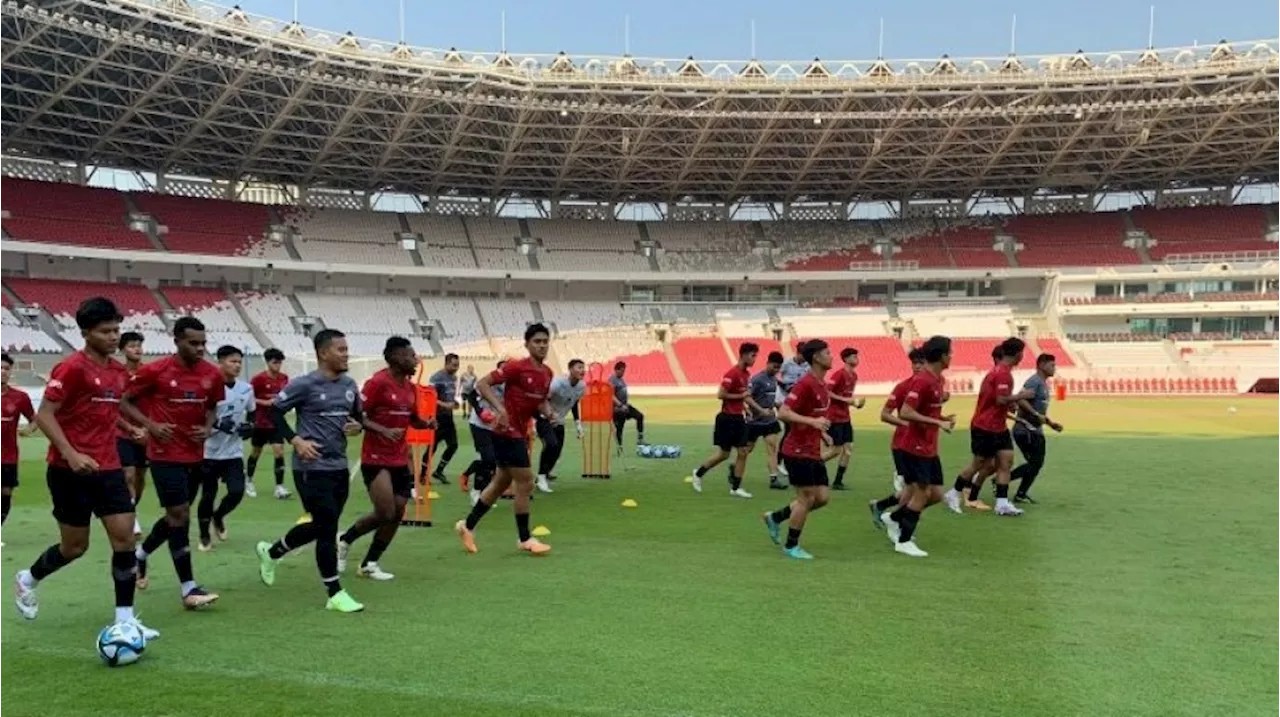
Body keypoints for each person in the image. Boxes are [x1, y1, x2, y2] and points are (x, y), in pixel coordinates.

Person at [12, 297, 157, 640]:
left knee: (124, 540)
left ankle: (124, 620)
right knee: (75, 547)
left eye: (116, 330)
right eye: (106, 331)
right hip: (68, 471)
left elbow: (108, 409)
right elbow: (45, 414)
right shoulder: (72, 368)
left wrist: (129, 429)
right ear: (86, 332)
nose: (113, 337)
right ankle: (27, 578)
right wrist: (72, 454)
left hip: (108, 467)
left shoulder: (119, 372)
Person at [255, 329, 365, 613]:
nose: (346, 354)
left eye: (346, 348)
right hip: (310, 467)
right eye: (340, 349)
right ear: (323, 353)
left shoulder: (350, 385)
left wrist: (356, 426)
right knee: (328, 528)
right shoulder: (304, 384)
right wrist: (296, 440)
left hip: (338, 465)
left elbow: (357, 418)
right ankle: (334, 592)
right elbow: (274, 412)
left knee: (322, 525)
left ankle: (272, 551)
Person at [121, 316, 222, 608]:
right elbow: (125, 401)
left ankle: (141, 555)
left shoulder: (211, 374)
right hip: (164, 454)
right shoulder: (156, 371)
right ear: (176, 341)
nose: (200, 348)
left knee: (176, 516)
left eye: (203, 343)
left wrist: (208, 427)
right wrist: (150, 425)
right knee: (180, 515)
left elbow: (212, 406)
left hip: (195, 453)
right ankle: (189, 589)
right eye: (193, 343)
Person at [455, 324, 554, 556]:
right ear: (527, 344)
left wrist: (548, 412)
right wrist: (500, 408)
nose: (541, 345)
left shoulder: (547, 373)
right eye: (537, 341)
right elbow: (482, 384)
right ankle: (524, 538)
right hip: (507, 431)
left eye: (544, 341)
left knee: (500, 483)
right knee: (526, 482)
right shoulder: (517, 367)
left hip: (520, 430)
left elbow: (539, 401)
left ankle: (467, 526)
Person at [338, 336, 432, 581]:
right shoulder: (378, 383)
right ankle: (345, 539)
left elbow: (413, 419)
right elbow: (358, 415)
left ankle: (369, 563)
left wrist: (426, 423)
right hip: (376, 457)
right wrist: (383, 430)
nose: (415, 361)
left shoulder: (411, 388)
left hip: (399, 459)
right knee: (385, 511)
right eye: (411, 356)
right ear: (397, 358)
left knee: (398, 511)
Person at [882, 336, 957, 558]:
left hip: (928, 447)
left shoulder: (936, 381)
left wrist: (942, 417)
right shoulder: (923, 380)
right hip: (914, 447)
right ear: (942, 355)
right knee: (922, 493)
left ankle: (893, 518)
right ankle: (903, 541)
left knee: (935, 495)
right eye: (950, 353)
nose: (951, 356)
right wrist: (938, 423)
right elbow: (905, 412)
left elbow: (925, 412)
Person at [943, 337, 1032, 518]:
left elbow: (997, 399)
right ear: (1017, 354)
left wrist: (1010, 403)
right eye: (1022, 353)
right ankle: (953, 493)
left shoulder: (1001, 372)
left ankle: (1002, 503)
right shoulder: (1002, 374)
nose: (1023, 356)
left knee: (1006, 461)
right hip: (985, 426)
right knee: (979, 463)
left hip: (998, 426)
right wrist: (1020, 396)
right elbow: (1000, 400)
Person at [761, 339, 832, 560]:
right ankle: (791, 545)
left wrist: (822, 432)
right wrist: (813, 423)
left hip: (812, 449)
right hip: (797, 450)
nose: (832, 356)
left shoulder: (821, 384)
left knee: (822, 498)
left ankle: (776, 517)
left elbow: (812, 415)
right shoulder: (806, 383)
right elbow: (783, 413)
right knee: (806, 498)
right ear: (817, 357)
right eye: (827, 353)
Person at [193, 345, 255, 551]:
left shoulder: (246, 389)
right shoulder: (208, 386)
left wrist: (250, 427)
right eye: (232, 361)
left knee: (237, 491)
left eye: (239, 362)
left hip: (233, 452)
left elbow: (252, 413)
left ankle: (218, 516)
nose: (237, 365)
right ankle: (203, 534)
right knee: (208, 495)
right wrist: (218, 424)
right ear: (220, 362)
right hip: (208, 451)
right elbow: (198, 415)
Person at [689, 342, 762, 499]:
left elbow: (742, 396)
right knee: (723, 454)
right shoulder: (732, 373)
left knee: (743, 452)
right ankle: (699, 473)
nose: (754, 359)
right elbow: (721, 394)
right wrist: (740, 397)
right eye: (752, 355)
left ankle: (736, 488)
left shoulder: (746, 375)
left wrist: (746, 408)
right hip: (727, 418)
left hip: (738, 418)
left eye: (756, 355)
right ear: (743, 355)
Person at [867, 348, 926, 528]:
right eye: (914, 363)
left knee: (914, 488)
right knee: (916, 489)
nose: (917, 366)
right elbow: (884, 414)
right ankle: (898, 525)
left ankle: (882, 507)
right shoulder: (902, 387)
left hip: (924, 444)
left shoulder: (932, 384)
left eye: (921, 362)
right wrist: (905, 424)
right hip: (903, 444)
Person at [1010, 353, 1064, 504]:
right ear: (1041, 365)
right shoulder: (1034, 381)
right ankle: (1002, 481)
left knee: (1035, 464)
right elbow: (1020, 398)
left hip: (1034, 430)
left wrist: (1051, 424)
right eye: (1052, 365)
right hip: (1026, 430)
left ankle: (1020, 494)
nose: (1055, 368)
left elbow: (1039, 413)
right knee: (1035, 463)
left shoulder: (1043, 384)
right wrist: (1034, 413)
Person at [535, 359, 587, 494]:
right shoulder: (558, 383)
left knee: (557, 451)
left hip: (560, 421)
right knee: (551, 445)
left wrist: (578, 424)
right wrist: (546, 415)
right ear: (570, 369)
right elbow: (543, 399)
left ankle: (544, 474)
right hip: (544, 418)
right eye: (579, 367)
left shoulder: (581, 387)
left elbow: (574, 404)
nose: (582, 370)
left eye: (583, 368)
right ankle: (541, 477)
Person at [0, 353, 38, 531]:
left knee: (5, 493)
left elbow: (35, 419)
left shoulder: (20, 397)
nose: (3, 372)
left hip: (8, 455)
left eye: (6, 368)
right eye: (0, 368)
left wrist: (29, 429)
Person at [459, 359, 505, 505]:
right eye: (503, 369)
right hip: (479, 425)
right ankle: (476, 492)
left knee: (493, 460)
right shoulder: (487, 382)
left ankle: (470, 478)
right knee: (488, 459)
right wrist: (480, 412)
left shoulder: (512, 386)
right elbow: (471, 396)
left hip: (496, 426)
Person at [116, 331, 148, 535]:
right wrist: (130, 428)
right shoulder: (117, 374)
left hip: (145, 433)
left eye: (139, 345)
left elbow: (156, 402)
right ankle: (132, 517)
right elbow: (113, 407)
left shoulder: (149, 373)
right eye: (131, 345)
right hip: (122, 433)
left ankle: (132, 507)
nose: (136, 349)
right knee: (127, 475)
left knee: (140, 476)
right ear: (122, 349)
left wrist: (147, 427)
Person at [248, 348, 290, 500]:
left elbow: (286, 396)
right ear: (267, 362)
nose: (278, 365)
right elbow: (250, 398)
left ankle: (279, 487)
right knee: (256, 452)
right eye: (275, 362)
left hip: (276, 422)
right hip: (260, 422)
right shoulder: (258, 379)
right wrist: (265, 402)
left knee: (279, 452)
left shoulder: (284, 378)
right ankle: (249, 480)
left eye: (280, 362)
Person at [823, 347, 864, 491]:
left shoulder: (854, 376)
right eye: (853, 356)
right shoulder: (839, 374)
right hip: (834, 418)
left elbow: (847, 397)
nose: (856, 359)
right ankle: (812, 465)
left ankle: (838, 481)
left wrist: (856, 404)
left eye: (856, 356)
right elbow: (827, 392)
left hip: (845, 418)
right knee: (835, 451)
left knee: (848, 449)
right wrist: (846, 400)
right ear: (845, 359)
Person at [745, 351, 786, 491]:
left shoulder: (774, 380)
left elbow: (771, 399)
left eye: (778, 368)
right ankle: (734, 468)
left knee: (773, 449)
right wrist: (761, 410)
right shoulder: (757, 379)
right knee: (746, 450)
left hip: (769, 420)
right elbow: (748, 397)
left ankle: (773, 479)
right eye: (774, 367)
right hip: (754, 421)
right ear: (768, 363)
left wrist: (779, 406)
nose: (776, 370)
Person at [773, 344, 808, 475]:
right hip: (784, 399)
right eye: (804, 356)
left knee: (795, 431)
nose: (805, 359)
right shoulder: (787, 363)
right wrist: (784, 385)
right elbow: (777, 375)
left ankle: (787, 461)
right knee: (789, 430)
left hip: (798, 401)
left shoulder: (807, 366)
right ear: (798, 353)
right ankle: (780, 462)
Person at [427, 353, 460, 484]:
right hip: (437, 416)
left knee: (453, 445)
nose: (456, 367)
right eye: (454, 365)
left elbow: (450, 396)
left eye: (458, 365)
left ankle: (439, 471)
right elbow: (430, 397)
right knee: (432, 447)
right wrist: (444, 404)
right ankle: (423, 474)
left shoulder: (454, 378)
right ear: (446, 363)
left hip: (448, 417)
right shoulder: (436, 378)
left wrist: (454, 403)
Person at [610, 362, 645, 449]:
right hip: (617, 409)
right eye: (622, 371)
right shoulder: (612, 380)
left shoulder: (621, 380)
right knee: (620, 428)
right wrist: (620, 405)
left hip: (625, 406)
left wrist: (625, 404)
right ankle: (619, 447)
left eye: (624, 371)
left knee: (639, 416)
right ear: (616, 370)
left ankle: (640, 440)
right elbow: (611, 395)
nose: (623, 373)